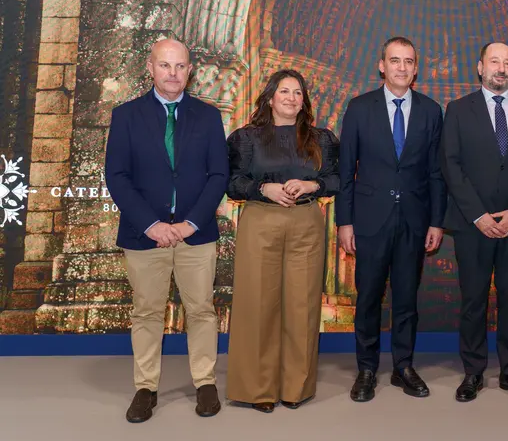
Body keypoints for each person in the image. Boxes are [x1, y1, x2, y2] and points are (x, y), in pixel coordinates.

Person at [105, 38, 228, 423]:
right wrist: (152, 224)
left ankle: (205, 382)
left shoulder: (209, 116)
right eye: (165, 65)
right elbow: (117, 176)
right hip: (144, 235)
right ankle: (145, 388)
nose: (173, 73)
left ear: (189, 70)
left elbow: (218, 175)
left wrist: (190, 223)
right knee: (146, 312)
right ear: (151, 67)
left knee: (202, 309)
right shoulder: (126, 115)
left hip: (197, 234)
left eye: (179, 66)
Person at [336, 37, 446, 402]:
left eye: (408, 61)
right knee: (368, 297)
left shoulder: (431, 111)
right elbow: (345, 170)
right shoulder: (359, 108)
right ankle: (366, 369)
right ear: (381, 66)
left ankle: (403, 367)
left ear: (416, 69)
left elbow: (436, 173)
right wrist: (345, 222)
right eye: (394, 60)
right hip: (369, 220)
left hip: (414, 220)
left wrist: (436, 222)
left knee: (406, 300)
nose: (401, 67)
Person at [225, 69, 340, 412]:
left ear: (304, 101)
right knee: (258, 304)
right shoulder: (246, 138)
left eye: (298, 93)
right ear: (271, 98)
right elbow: (231, 182)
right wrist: (263, 188)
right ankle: (258, 390)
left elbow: (337, 179)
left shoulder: (322, 139)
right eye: (285, 91)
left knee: (302, 306)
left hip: (306, 221)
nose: (291, 98)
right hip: (261, 221)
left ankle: (295, 387)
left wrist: (312, 185)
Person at [441, 42, 508, 402]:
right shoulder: (458, 110)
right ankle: (473, 372)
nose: (501, 69)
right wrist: (479, 215)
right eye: (495, 62)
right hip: (473, 225)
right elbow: (451, 165)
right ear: (480, 67)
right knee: (474, 300)